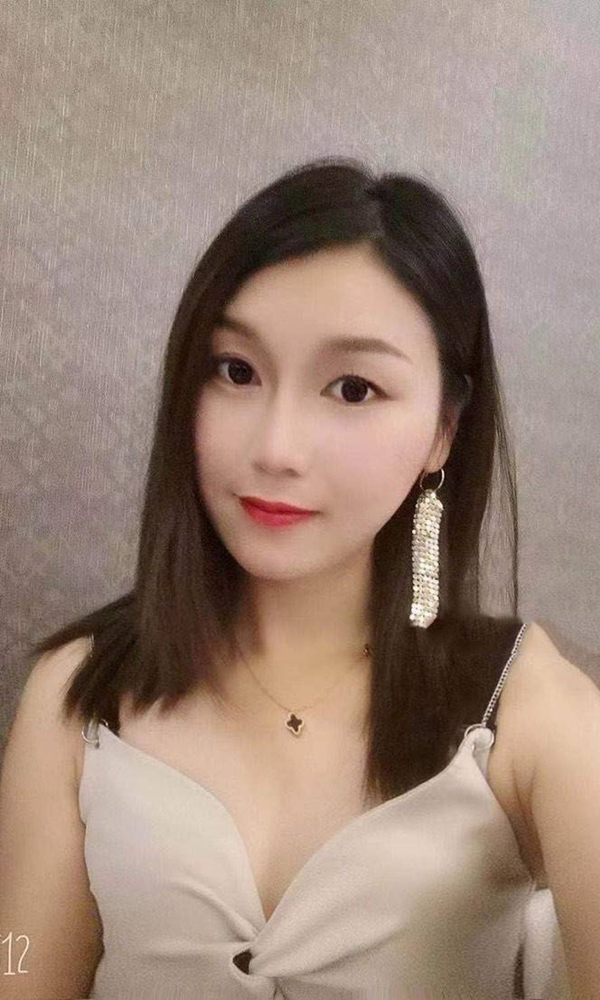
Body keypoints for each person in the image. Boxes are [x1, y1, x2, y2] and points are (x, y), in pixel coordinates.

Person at [0, 156, 596, 999]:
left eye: (353, 388)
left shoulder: (528, 709)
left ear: (442, 431)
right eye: (235, 371)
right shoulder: (80, 693)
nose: (276, 447)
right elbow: (17, 965)